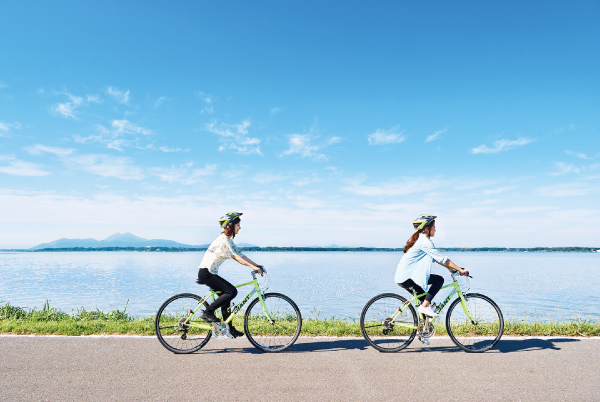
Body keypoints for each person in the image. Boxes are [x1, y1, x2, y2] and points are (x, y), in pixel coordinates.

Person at [196, 212, 264, 338]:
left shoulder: (228, 239)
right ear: (230, 225)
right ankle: (207, 312)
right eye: (238, 225)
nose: (240, 228)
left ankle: (229, 329)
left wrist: (256, 265)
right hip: (207, 273)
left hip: (209, 272)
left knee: (226, 298)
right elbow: (237, 258)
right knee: (231, 291)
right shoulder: (223, 241)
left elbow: (241, 254)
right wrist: (253, 267)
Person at [395, 214, 469, 317]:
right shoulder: (425, 242)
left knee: (426, 300)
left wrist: (451, 268)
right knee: (439, 280)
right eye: (434, 227)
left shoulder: (422, 240)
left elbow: (435, 259)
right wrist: (460, 270)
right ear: (427, 228)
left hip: (406, 277)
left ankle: (424, 329)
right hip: (408, 278)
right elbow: (442, 258)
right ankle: (425, 307)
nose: (435, 229)